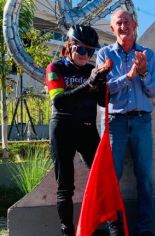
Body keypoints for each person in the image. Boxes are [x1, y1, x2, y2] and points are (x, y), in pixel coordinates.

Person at [96, 9, 155, 236]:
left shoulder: (147, 54)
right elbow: (103, 91)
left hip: (142, 121)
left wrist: (143, 74)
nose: (123, 26)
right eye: (118, 23)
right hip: (116, 123)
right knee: (113, 178)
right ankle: (115, 229)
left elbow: (153, 91)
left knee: (145, 177)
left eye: (127, 22)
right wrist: (129, 76)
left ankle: (144, 229)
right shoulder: (104, 55)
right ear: (112, 29)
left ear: (134, 25)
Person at [46, 25, 112, 236]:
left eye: (90, 51)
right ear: (69, 47)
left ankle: (100, 226)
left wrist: (100, 81)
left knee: (101, 180)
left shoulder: (89, 70)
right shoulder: (55, 67)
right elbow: (59, 102)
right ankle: (67, 232)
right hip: (62, 129)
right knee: (65, 185)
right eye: (81, 50)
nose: (86, 55)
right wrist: (89, 84)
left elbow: (102, 101)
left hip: (86, 129)